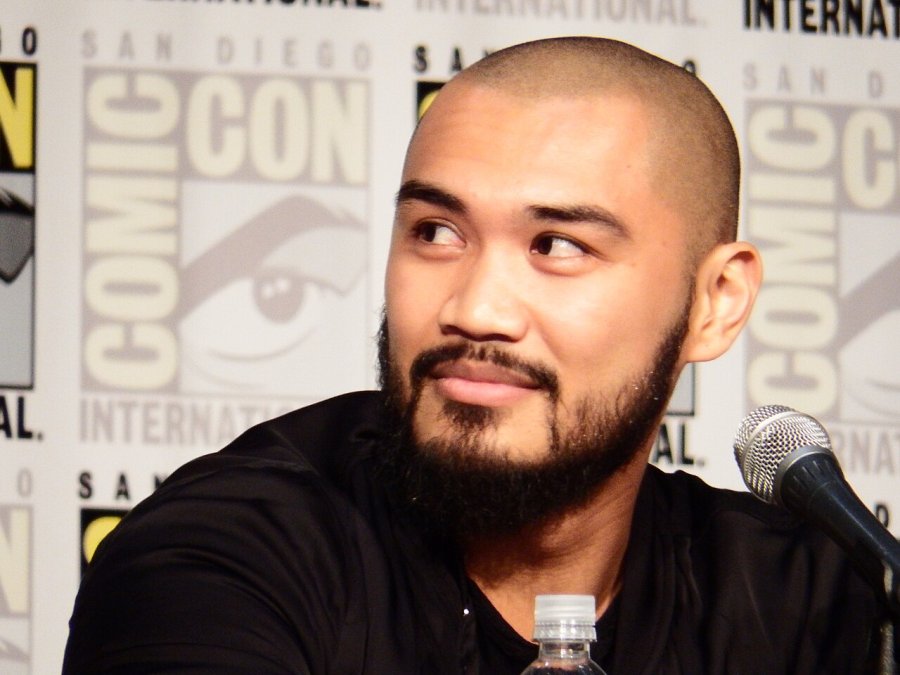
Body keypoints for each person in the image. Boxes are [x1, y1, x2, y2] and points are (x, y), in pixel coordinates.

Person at [63, 37, 886, 673]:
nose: (473, 309)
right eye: (436, 232)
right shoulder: (225, 556)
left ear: (716, 302)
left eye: (556, 244)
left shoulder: (810, 601)